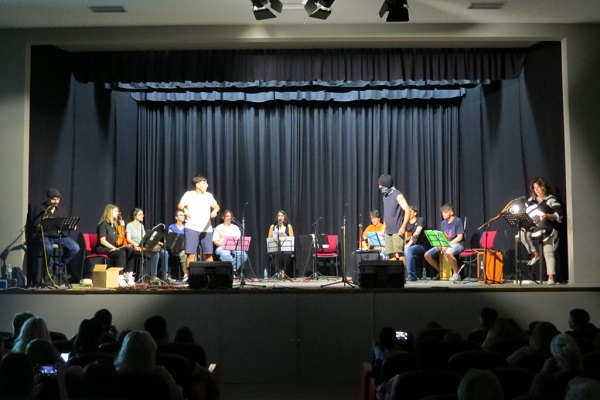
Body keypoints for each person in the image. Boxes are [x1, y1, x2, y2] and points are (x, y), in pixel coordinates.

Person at [28, 188, 80, 286]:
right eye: (53, 199)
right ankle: (50, 269)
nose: (56, 202)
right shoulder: (40, 209)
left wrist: (71, 227)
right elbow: (36, 225)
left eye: (57, 199)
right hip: (45, 236)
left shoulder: (62, 209)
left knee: (75, 247)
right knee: (48, 248)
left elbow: (63, 225)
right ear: (48, 199)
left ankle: (58, 266)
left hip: (58, 236)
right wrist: (43, 225)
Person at [518, 177, 563, 284]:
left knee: (548, 251)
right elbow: (525, 212)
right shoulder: (531, 200)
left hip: (548, 227)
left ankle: (551, 277)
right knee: (522, 234)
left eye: (538, 187)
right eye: (534, 188)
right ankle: (535, 254)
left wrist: (548, 215)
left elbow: (559, 214)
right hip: (534, 227)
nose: (536, 190)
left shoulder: (551, 199)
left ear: (544, 187)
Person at [178, 176, 220, 282]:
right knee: (191, 254)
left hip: (206, 229)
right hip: (191, 227)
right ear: (197, 185)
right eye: (204, 183)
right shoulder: (189, 194)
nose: (207, 185)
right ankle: (189, 276)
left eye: (206, 183)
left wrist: (215, 211)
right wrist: (185, 209)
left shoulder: (208, 196)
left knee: (208, 254)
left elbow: (216, 206)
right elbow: (180, 205)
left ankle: (211, 277)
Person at [95, 204, 138, 285]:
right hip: (103, 248)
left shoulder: (114, 225)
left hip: (113, 247)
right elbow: (102, 241)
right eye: (115, 211)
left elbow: (119, 239)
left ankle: (128, 274)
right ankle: (120, 276)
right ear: (110, 212)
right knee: (121, 253)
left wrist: (122, 228)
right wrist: (114, 248)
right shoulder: (103, 224)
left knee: (130, 250)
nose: (117, 213)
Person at [424, 203, 465, 281]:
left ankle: (456, 274)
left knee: (448, 252)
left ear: (451, 212)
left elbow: (460, 237)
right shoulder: (443, 223)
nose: (443, 214)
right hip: (446, 244)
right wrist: (440, 244)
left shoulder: (457, 221)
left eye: (445, 212)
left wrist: (447, 245)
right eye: (442, 212)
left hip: (457, 244)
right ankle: (441, 271)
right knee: (427, 255)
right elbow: (443, 237)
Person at [126, 207, 168, 282]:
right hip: (136, 246)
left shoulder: (141, 226)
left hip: (144, 245)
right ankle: (153, 276)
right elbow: (128, 238)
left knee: (165, 253)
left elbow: (145, 238)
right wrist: (135, 244)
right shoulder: (129, 225)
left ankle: (165, 275)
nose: (142, 216)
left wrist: (158, 242)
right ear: (134, 216)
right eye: (140, 214)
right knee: (155, 254)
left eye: (142, 214)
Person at [377, 174, 411, 261]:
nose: (379, 187)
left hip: (397, 230)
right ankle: (393, 270)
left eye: (381, 185)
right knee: (390, 254)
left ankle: (403, 270)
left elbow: (408, 210)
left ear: (386, 185)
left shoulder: (397, 195)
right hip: (388, 231)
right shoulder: (385, 197)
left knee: (399, 253)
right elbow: (387, 214)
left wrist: (403, 227)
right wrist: (383, 229)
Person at [213, 210, 248, 276]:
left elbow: (239, 240)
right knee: (225, 255)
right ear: (223, 217)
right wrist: (225, 245)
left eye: (230, 216)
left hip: (234, 247)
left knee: (243, 255)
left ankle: (232, 270)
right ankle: (232, 271)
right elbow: (215, 241)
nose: (229, 218)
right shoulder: (219, 228)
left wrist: (235, 243)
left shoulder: (235, 227)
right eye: (227, 216)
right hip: (222, 247)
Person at [403, 206, 429, 281]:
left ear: (415, 213)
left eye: (410, 211)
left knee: (408, 250)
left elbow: (417, 233)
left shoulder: (420, 220)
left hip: (421, 245)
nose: (408, 213)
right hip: (411, 245)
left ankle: (412, 275)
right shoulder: (406, 223)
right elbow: (404, 237)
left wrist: (408, 245)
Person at [267, 210, 295, 278]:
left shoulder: (288, 226)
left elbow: (292, 238)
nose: (280, 217)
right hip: (275, 248)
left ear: (284, 217)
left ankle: (283, 271)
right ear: (277, 217)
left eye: (282, 216)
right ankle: (278, 271)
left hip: (286, 248)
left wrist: (286, 236)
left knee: (287, 254)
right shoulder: (273, 226)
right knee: (274, 254)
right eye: (279, 216)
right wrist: (274, 238)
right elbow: (269, 239)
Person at [167, 210, 187, 280]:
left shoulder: (186, 228)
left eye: (183, 215)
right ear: (176, 217)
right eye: (181, 215)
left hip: (185, 247)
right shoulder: (172, 227)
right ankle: (186, 274)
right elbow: (170, 239)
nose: (183, 216)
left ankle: (191, 274)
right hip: (175, 249)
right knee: (184, 254)